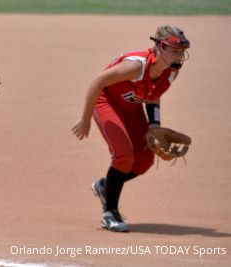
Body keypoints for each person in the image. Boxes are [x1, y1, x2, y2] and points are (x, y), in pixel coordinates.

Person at [71, 26, 190, 232]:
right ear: (160, 47)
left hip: (132, 107)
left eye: (182, 51)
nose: (180, 56)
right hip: (106, 101)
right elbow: (98, 81)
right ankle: (110, 213)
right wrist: (85, 118)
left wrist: (154, 126)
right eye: (175, 50)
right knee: (124, 155)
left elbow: (153, 95)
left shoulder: (171, 72)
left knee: (144, 161)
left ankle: (105, 186)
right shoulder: (136, 66)